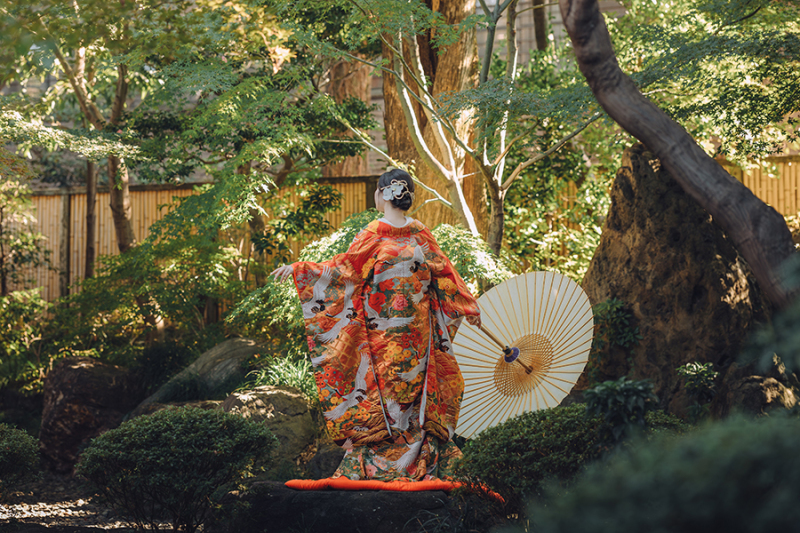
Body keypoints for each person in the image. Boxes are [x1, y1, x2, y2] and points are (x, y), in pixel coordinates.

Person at [271, 169, 481, 481]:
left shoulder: (398, 235)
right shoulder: (401, 236)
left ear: (383, 194)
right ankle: (392, 454)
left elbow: (344, 269)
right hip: (385, 333)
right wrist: (468, 306)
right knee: (388, 391)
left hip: (414, 334)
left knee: (412, 389)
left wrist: (302, 269)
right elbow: (447, 277)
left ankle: (414, 451)